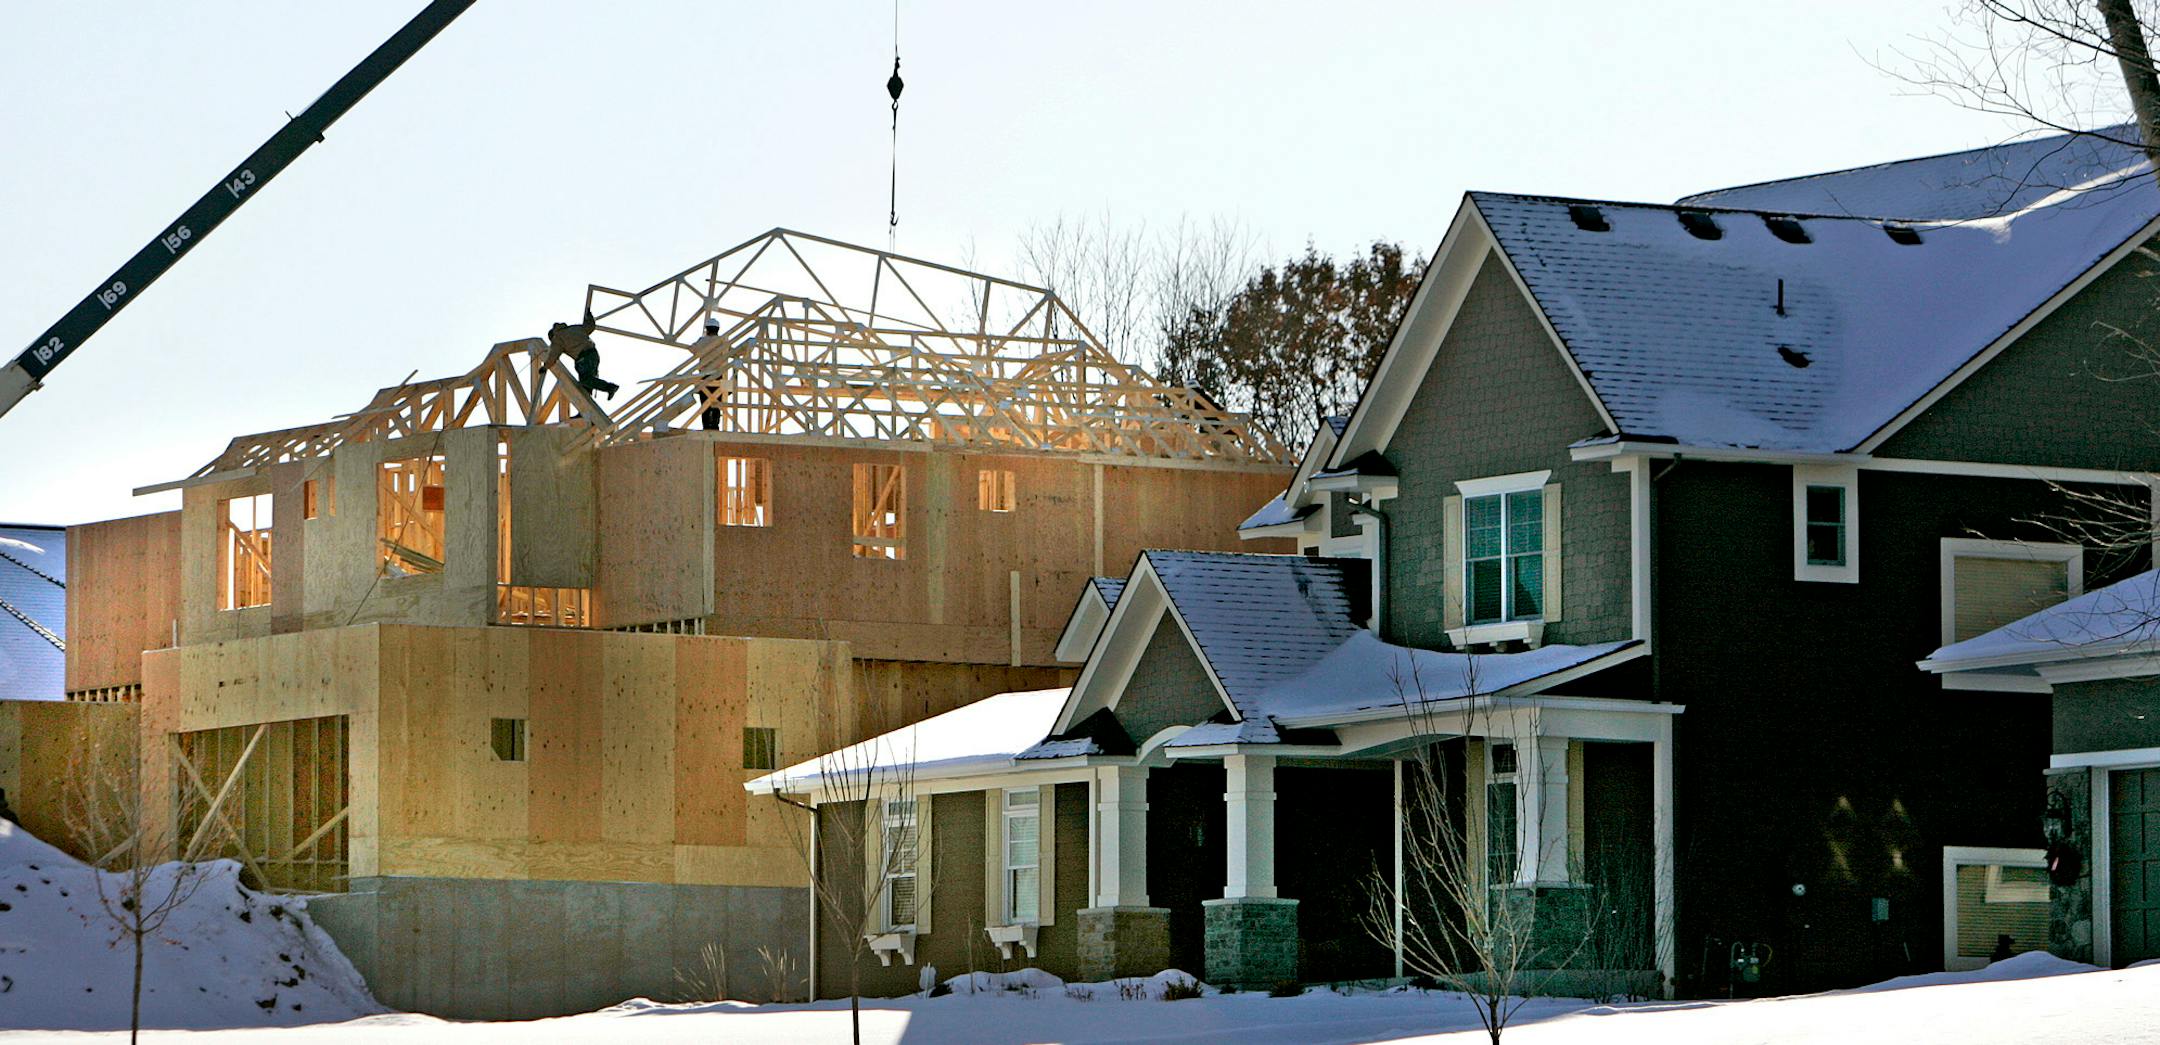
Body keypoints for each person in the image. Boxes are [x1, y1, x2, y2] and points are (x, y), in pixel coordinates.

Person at [548, 312, 617, 401]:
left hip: (583, 358)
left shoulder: (558, 338)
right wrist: (590, 317)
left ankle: (610, 387)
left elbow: (553, 356)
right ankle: (583, 410)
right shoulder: (574, 328)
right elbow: (590, 327)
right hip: (593, 354)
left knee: (585, 380)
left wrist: (545, 367)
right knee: (587, 384)